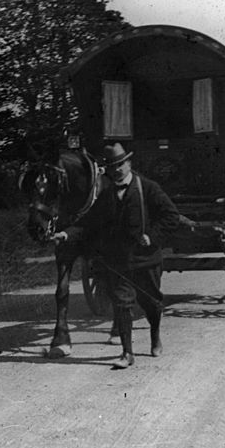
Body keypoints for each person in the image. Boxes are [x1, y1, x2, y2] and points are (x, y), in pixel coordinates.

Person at [52, 142, 180, 369]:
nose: (118, 169)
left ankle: (155, 335)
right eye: (113, 166)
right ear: (108, 170)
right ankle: (127, 352)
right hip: (119, 261)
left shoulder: (148, 188)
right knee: (122, 304)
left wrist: (152, 236)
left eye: (121, 164)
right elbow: (87, 223)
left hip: (146, 259)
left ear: (129, 163)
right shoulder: (106, 195)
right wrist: (66, 234)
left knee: (151, 303)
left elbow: (171, 215)